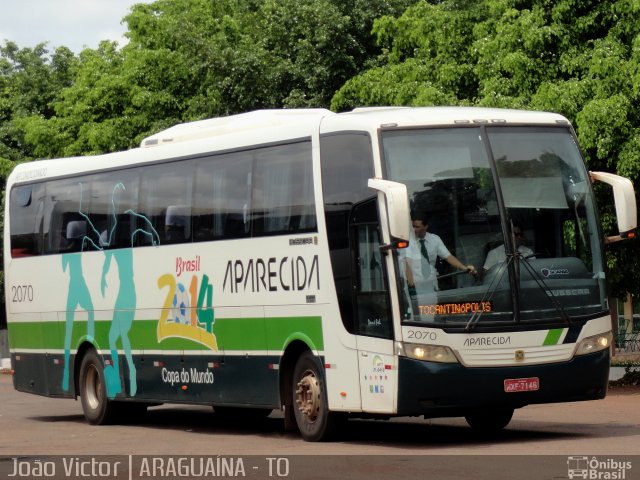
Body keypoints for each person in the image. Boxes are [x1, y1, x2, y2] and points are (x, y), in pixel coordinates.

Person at [402, 212, 476, 319]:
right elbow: (407, 261)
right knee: (415, 319)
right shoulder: (408, 240)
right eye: (412, 226)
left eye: (417, 226)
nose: (414, 229)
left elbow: (448, 257)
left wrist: (464, 268)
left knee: (430, 317)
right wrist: (411, 281)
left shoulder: (435, 239)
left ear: (426, 226)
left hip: (430, 286)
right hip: (413, 288)